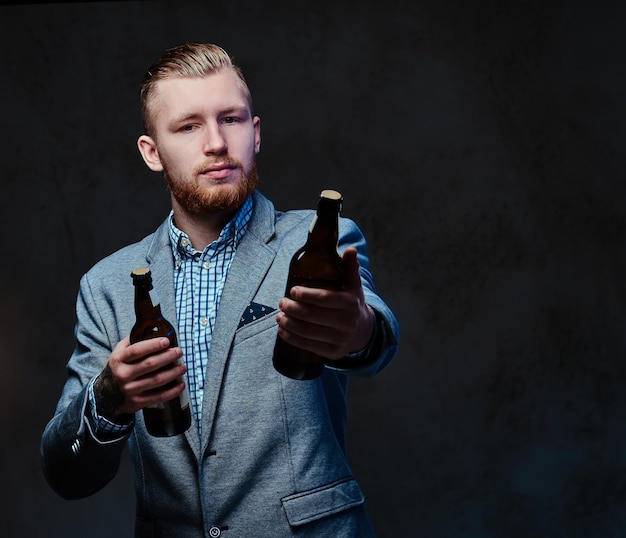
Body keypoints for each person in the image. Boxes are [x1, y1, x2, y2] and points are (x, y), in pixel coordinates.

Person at [40, 42, 400, 538]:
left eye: (230, 119)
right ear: (152, 152)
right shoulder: (107, 285)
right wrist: (109, 398)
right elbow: (66, 473)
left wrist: (357, 332)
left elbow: (374, 333)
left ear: (255, 133)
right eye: (188, 126)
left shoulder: (317, 241)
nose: (216, 142)